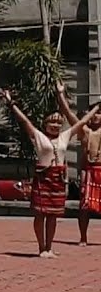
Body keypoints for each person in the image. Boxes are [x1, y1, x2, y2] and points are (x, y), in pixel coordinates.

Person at [3, 88, 98, 258]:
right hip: (43, 177)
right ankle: (41, 248)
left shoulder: (65, 136)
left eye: (58, 123)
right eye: (52, 123)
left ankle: (49, 247)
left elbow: (82, 121)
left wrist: (97, 108)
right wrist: (11, 102)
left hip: (58, 178)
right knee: (40, 214)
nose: (55, 126)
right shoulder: (38, 136)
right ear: (45, 124)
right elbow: (24, 121)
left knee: (53, 215)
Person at [55, 82, 101, 245]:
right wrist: (61, 95)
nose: (96, 116)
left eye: (99, 113)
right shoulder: (85, 131)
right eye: (94, 113)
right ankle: (83, 237)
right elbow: (69, 114)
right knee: (84, 207)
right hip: (89, 170)